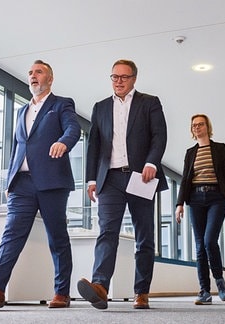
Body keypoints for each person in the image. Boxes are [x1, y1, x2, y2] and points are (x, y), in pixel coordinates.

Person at [0, 60, 81, 309]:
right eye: (30, 73)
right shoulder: (21, 111)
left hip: (51, 182)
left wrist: (63, 142)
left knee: (57, 238)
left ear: (50, 78)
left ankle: (62, 292)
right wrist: (10, 180)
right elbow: (17, 147)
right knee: (11, 235)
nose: (33, 76)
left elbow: (73, 128)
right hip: (22, 184)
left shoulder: (61, 104)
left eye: (38, 72)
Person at [77, 59, 168, 310]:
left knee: (144, 236)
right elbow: (93, 144)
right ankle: (100, 287)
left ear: (134, 79)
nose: (118, 81)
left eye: (124, 77)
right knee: (107, 231)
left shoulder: (149, 102)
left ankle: (142, 291)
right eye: (114, 77)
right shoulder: (101, 107)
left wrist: (151, 162)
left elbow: (159, 135)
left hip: (141, 176)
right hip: (110, 178)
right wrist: (92, 178)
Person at [175, 114, 225, 305]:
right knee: (199, 246)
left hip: (216, 198)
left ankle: (219, 281)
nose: (197, 127)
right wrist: (179, 204)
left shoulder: (219, 148)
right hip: (195, 198)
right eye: (194, 125)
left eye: (200, 124)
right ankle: (204, 291)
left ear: (207, 127)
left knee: (209, 240)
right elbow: (186, 179)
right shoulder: (190, 152)